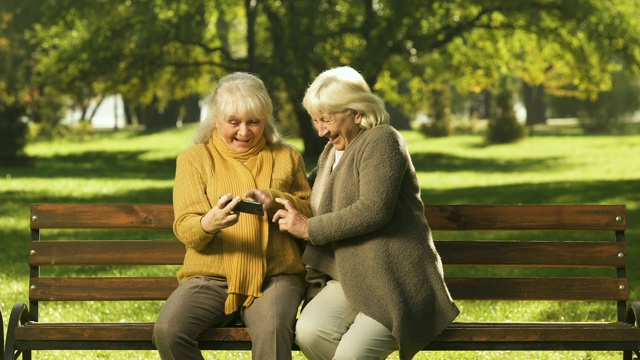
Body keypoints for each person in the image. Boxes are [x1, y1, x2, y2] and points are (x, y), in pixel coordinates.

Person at [272, 66, 460, 360]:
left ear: (357, 113)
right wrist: (269, 199)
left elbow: (373, 210)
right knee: (309, 332)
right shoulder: (330, 155)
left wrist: (309, 229)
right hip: (348, 277)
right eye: (315, 120)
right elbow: (304, 196)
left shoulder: (383, 140)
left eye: (326, 119)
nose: (321, 130)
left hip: (394, 280)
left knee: (351, 355)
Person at [153, 72, 312, 360]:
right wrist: (208, 223)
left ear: (266, 119)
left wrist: (277, 201)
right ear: (216, 119)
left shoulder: (288, 157)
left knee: (273, 332)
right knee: (168, 330)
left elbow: (309, 210)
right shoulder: (194, 159)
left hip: (275, 276)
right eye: (234, 122)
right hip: (209, 277)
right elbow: (186, 226)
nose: (244, 132)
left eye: (254, 122)